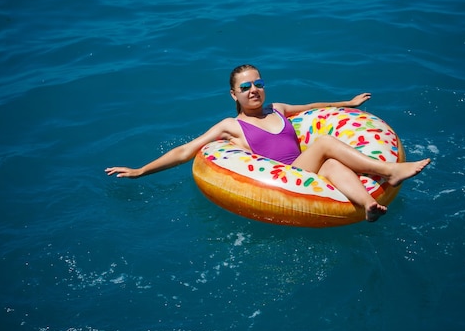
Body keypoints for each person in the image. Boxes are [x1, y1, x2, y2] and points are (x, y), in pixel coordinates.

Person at [106, 64, 430, 222]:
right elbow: (185, 151)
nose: (254, 90)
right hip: (284, 176)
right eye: (245, 87)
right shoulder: (231, 126)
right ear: (234, 94)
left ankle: (368, 206)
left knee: (330, 161)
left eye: (258, 84)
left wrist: (349, 103)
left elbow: (315, 109)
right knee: (324, 145)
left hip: (310, 171)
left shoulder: (280, 109)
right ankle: (390, 170)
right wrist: (140, 171)